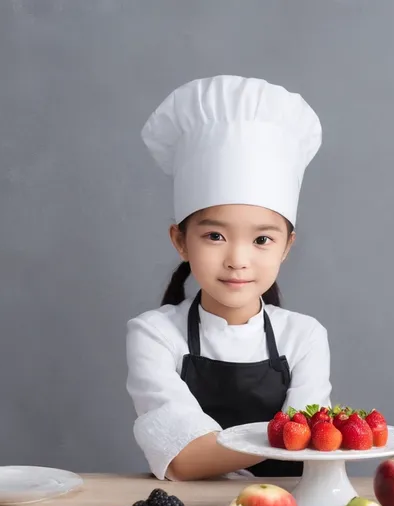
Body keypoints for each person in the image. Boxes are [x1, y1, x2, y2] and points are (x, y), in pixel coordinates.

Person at [126, 75, 332, 481]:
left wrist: (300, 438)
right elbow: (183, 460)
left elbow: (308, 448)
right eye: (215, 236)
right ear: (180, 241)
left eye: (261, 239)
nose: (238, 260)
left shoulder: (305, 336)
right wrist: (288, 435)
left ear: (286, 246)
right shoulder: (153, 334)